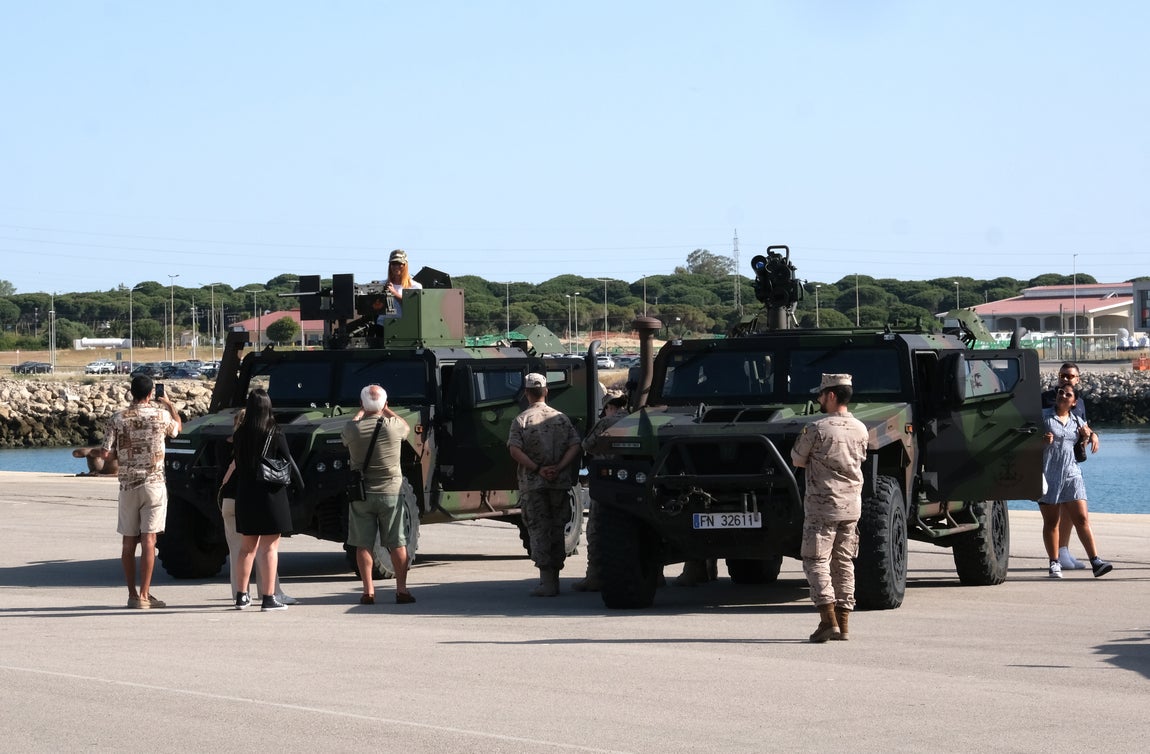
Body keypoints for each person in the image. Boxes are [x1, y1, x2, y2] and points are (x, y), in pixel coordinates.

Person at [791, 373, 868, 643]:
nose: (819, 399)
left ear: (831, 395)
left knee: (815, 561)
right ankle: (844, 624)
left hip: (823, 507)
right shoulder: (861, 428)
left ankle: (827, 620)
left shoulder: (817, 428)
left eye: (821, 394)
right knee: (844, 562)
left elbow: (798, 460)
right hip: (851, 506)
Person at [99, 374, 181, 609]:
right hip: (154, 484)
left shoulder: (117, 418)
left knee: (128, 542)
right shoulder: (161, 415)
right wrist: (169, 404)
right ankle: (145, 595)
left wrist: (121, 454)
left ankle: (132, 593)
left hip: (127, 485)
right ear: (150, 393)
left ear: (131, 392)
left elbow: (105, 453)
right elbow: (178, 429)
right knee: (149, 539)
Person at [220, 389, 303, 611]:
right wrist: (299, 484)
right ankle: (268, 598)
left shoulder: (239, 435)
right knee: (269, 548)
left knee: (246, 548)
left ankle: (241, 596)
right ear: (268, 406)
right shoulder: (274, 432)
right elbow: (287, 460)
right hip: (270, 496)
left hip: (245, 495)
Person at [507, 373, 583, 597]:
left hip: (534, 485)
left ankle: (547, 582)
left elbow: (514, 449)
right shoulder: (561, 418)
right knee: (558, 528)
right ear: (546, 391)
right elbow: (575, 445)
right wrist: (559, 467)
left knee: (539, 529)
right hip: (559, 483)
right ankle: (555, 578)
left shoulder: (522, 420)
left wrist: (537, 469)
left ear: (527, 393)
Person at [341, 384, 415, 605]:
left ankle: (368, 591)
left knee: (362, 544)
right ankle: (401, 590)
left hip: (362, 493)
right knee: (397, 543)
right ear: (384, 403)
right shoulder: (393, 426)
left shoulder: (352, 428)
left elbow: (348, 431)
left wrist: (360, 412)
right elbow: (406, 428)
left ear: (362, 403)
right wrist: (387, 409)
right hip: (391, 492)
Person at [1038, 383, 1113, 579]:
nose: (1063, 396)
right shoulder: (1043, 416)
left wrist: (1088, 436)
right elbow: (1024, 440)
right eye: (1060, 392)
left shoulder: (1077, 421)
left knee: (1081, 518)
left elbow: (1086, 438)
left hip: (1072, 474)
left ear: (1074, 402)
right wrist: (1041, 441)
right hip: (1047, 473)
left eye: (1068, 394)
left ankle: (1095, 561)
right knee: (1052, 521)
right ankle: (1054, 562)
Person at [572, 390, 629, 592]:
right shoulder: (635, 419)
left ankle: (595, 576)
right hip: (633, 483)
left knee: (596, 531)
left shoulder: (606, 423)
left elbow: (587, 445)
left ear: (608, 407)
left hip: (607, 484)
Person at [383, 249, 422, 319]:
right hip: (382, 326)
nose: (396, 266)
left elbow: (413, 307)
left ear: (405, 265)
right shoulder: (382, 285)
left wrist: (394, 293)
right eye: (393, 263)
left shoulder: (415, 287)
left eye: (399, 263)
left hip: (403, 326)